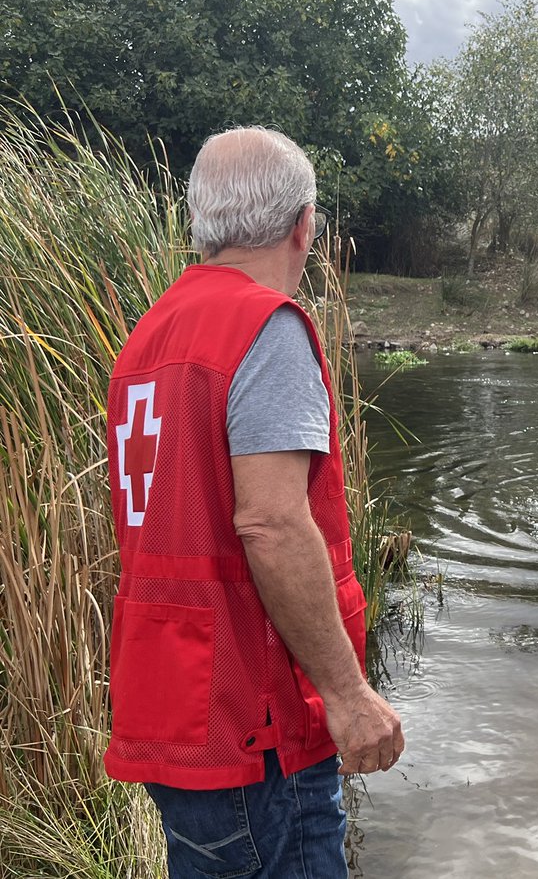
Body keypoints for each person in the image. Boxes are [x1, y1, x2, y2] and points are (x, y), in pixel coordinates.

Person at [104, 126, 404, 878]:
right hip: (252, 720)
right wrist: (348, 695)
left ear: (200, 221)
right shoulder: (264, 326)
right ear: (304, 227)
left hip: (174, 701)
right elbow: (270, 522)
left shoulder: (150, 333)